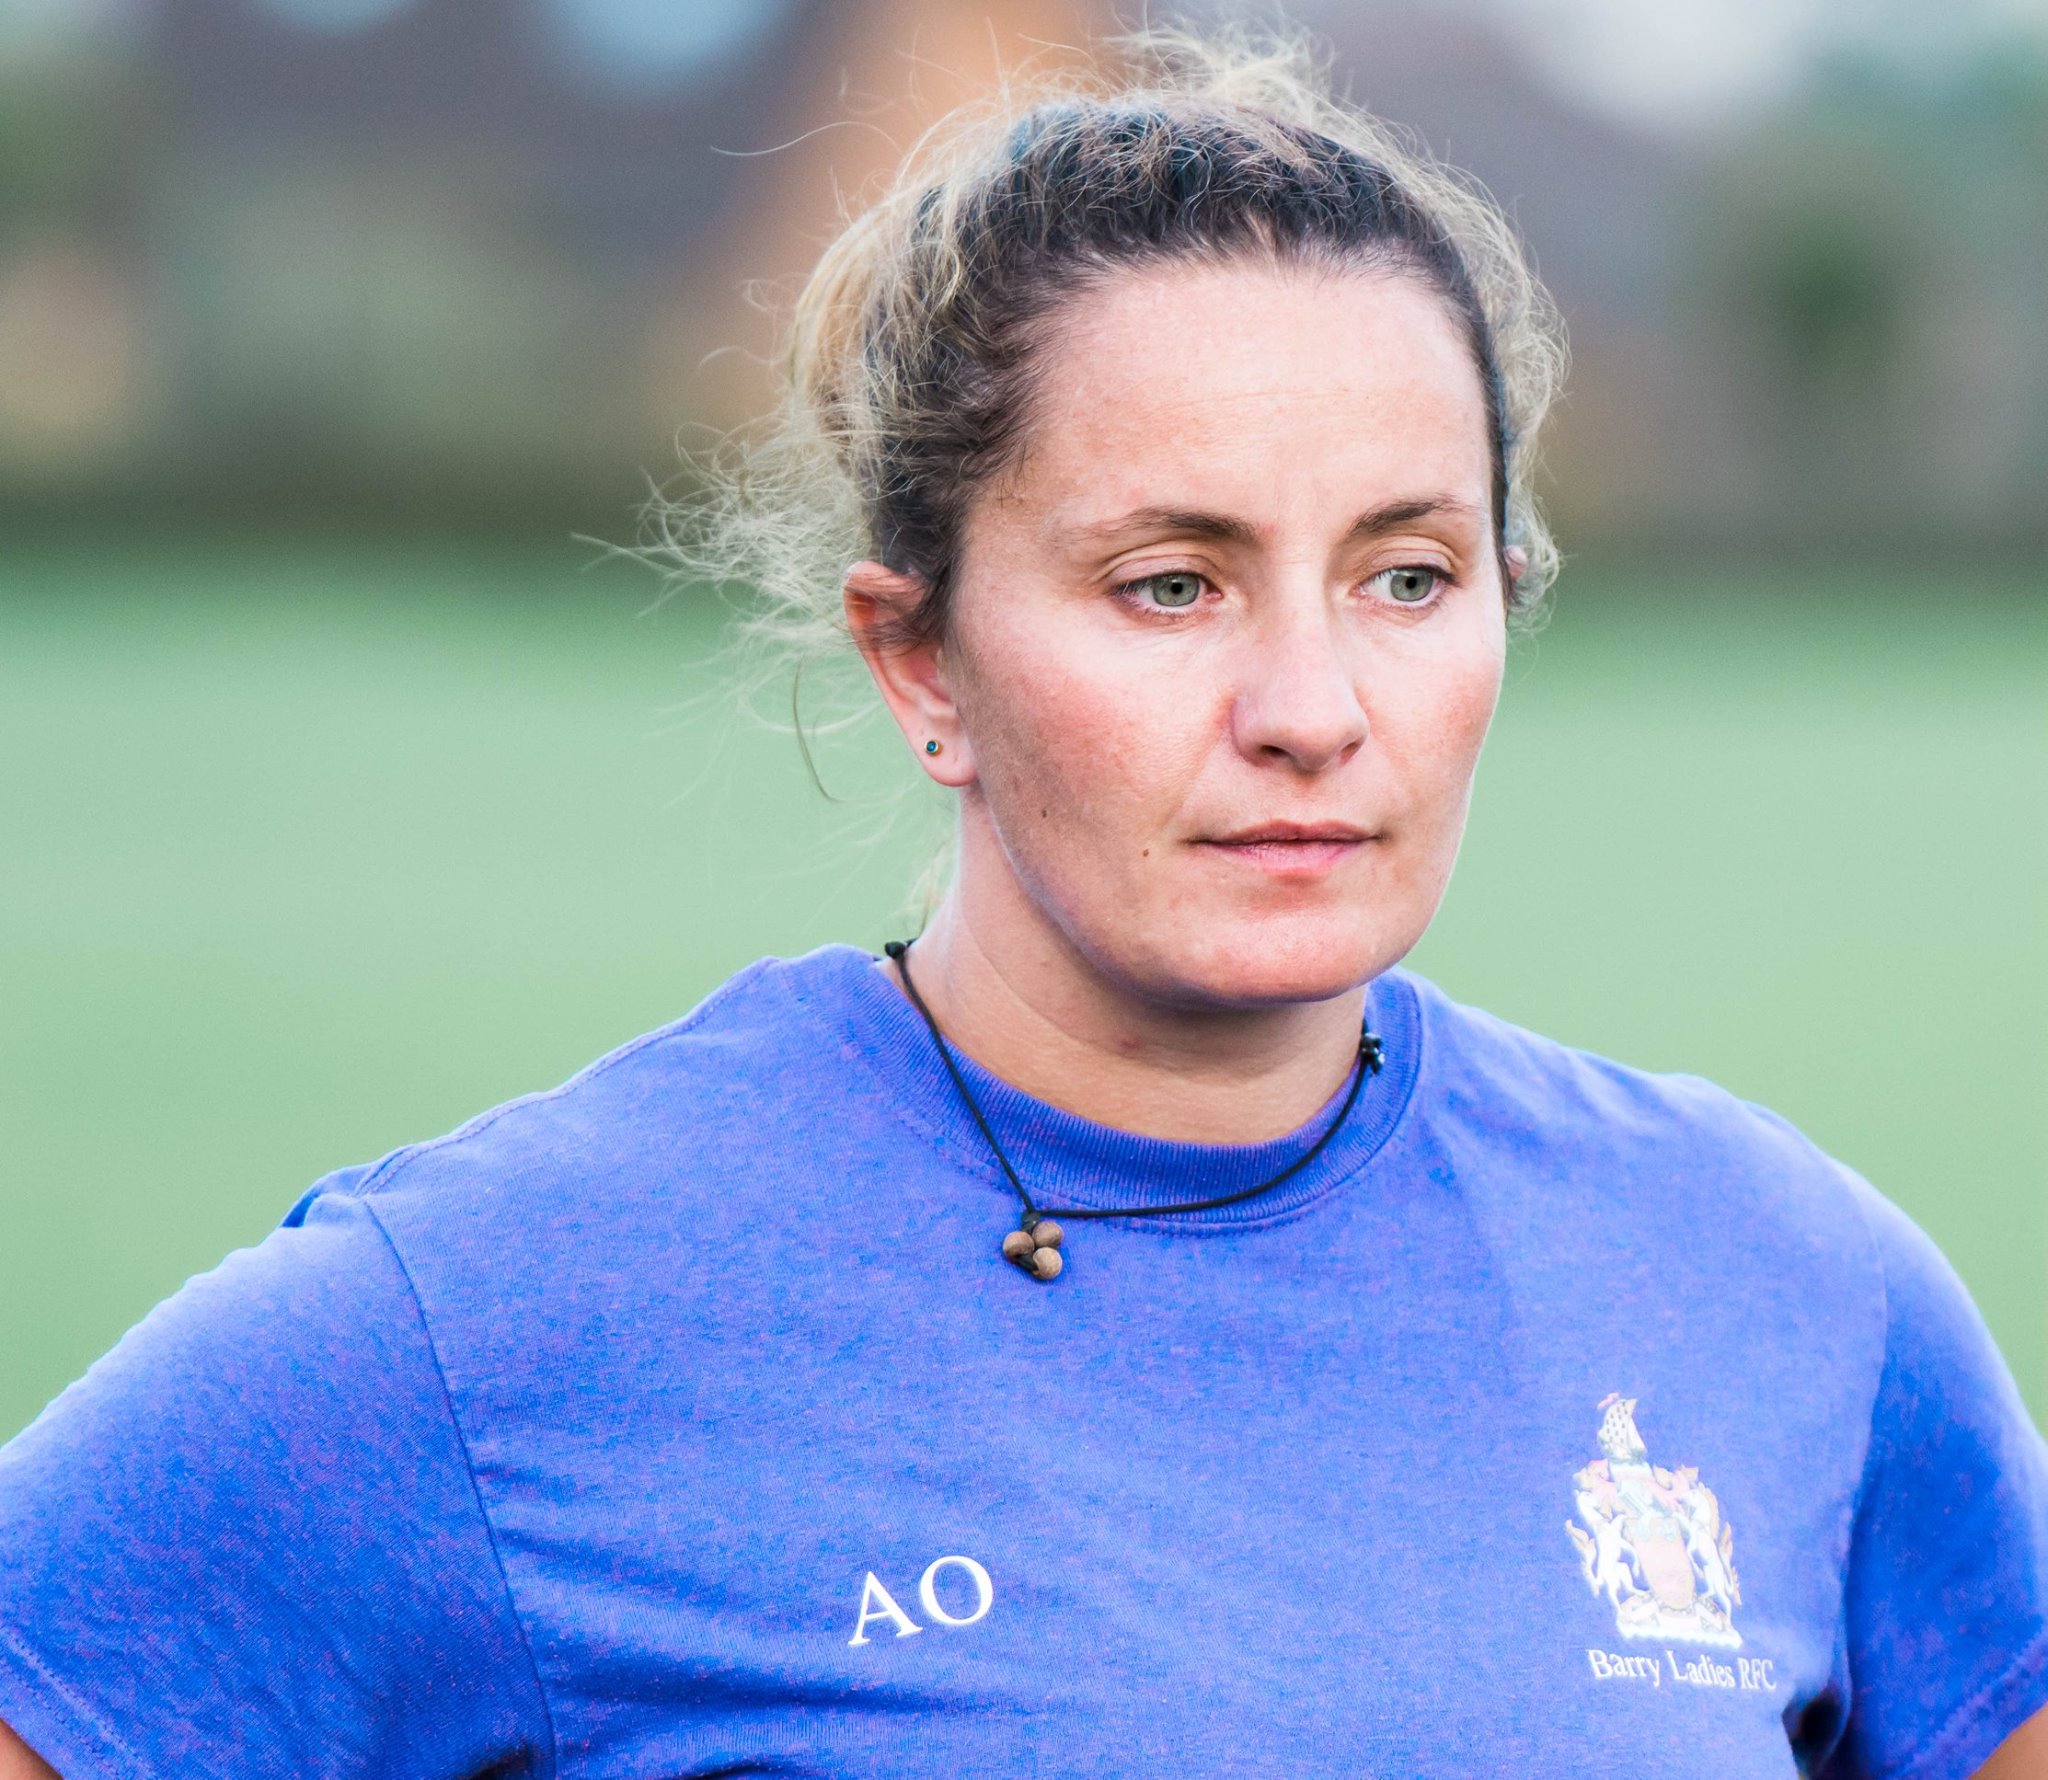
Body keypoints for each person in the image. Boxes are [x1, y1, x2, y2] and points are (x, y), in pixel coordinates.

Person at [2, 26, 2045, 1780]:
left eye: (1406, 575)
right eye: (1171, 580)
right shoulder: (490, 1321)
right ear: (921, 661)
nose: (1311, 710)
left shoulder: (1782, 1285)